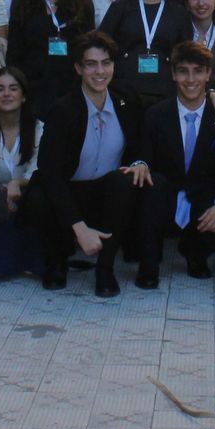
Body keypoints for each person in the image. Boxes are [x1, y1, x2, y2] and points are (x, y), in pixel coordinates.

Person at [29, 32, 148, 296]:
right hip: (69, 191)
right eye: (91, 64)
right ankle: (56, 260)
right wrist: (79, 227)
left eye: (106, 63)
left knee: (125, 181)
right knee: (39, 195)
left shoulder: (126, 98)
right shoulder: (63, 109)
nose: (100, 71)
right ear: (78, 68)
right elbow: (49, 172)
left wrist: (141, 161)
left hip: (106, 192)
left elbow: (143, 136)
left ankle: (105, 268)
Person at [134, 42, 215, 286]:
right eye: (183, 71)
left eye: (198, 71)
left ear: (208, 74)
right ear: (173, 74)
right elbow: (143, 156)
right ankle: (149, 264)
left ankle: (195, 252)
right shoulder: (156, 114)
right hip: (165, 194)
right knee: (151, 186)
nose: (191, 79)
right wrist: (140, 163)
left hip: (202, 194)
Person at [6, 0, 95, 110]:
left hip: (72, 91)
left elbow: (87, 51)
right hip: (32, 91)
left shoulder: (84, 5)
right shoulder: (21, 3)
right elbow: (14, 54)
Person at [98, 0, 193, 105]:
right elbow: (101, 47)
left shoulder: (179, 12)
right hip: (123, 94)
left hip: (166, 96)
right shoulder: (120, 8)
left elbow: (187, 56)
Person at [0, 66, 44, 277]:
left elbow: (38, 168)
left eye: (13, 88)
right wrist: (1, 190)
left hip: (25, 193)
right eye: (0, 89)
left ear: (23, 96)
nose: (6, 94)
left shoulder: (38, 128)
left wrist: (17, 183)